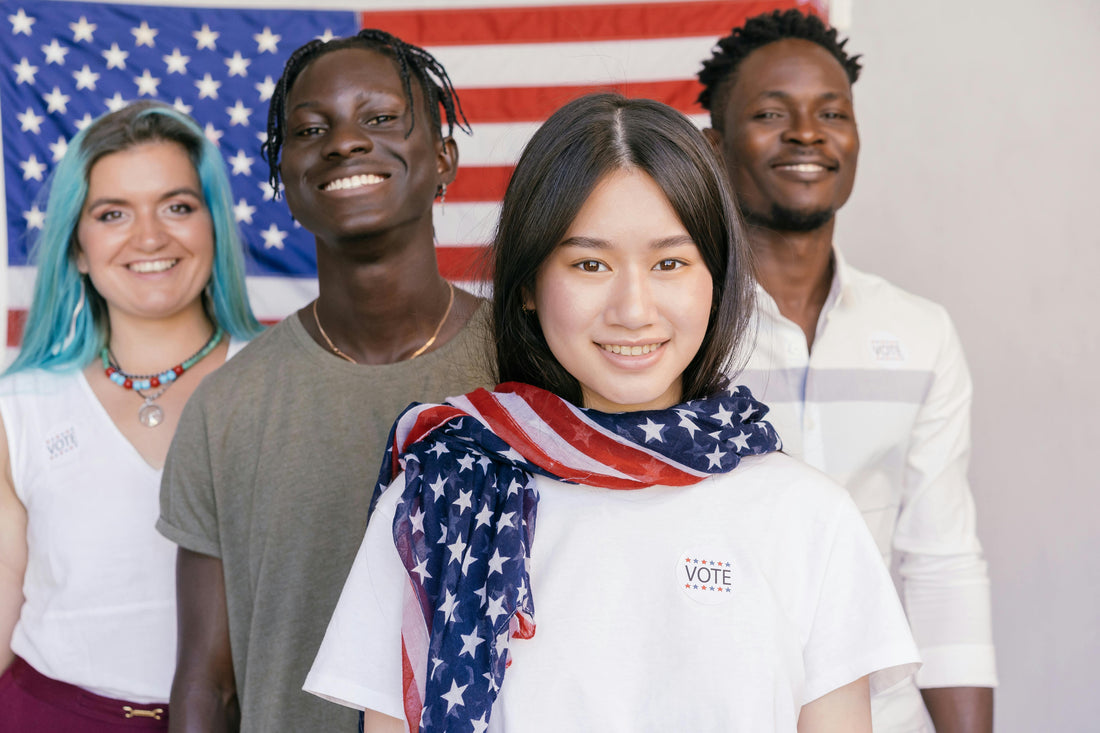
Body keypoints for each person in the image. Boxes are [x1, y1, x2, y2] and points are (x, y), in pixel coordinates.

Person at [304, 92, 920, 732]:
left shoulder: (807, 515)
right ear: (526, 288)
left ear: (719, 279)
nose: (633, 307)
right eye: (590, 263)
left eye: (670, 263)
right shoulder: (441, 494)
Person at [156, 30, 495, 732]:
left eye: (378, 119)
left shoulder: (533, 369)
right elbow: (205, 686)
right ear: (284, 182)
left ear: (443, 160)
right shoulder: (226, 407)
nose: (344, 142)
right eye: (311, 129)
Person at [697, 9, 997, 733]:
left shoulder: (920, 332)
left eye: (832, 112)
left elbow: (942, 563)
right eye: (772, 113)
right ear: (714, 143)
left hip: (886, 714)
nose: (808, 132)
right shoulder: (677, 332)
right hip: (720, 707)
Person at [0, 101, 261, 731]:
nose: (149, 237)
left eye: (177, 206)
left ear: (214, 226)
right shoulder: (20, 406)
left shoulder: (279, 381)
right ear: (79, 249)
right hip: (46, 712)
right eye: (112, 214)